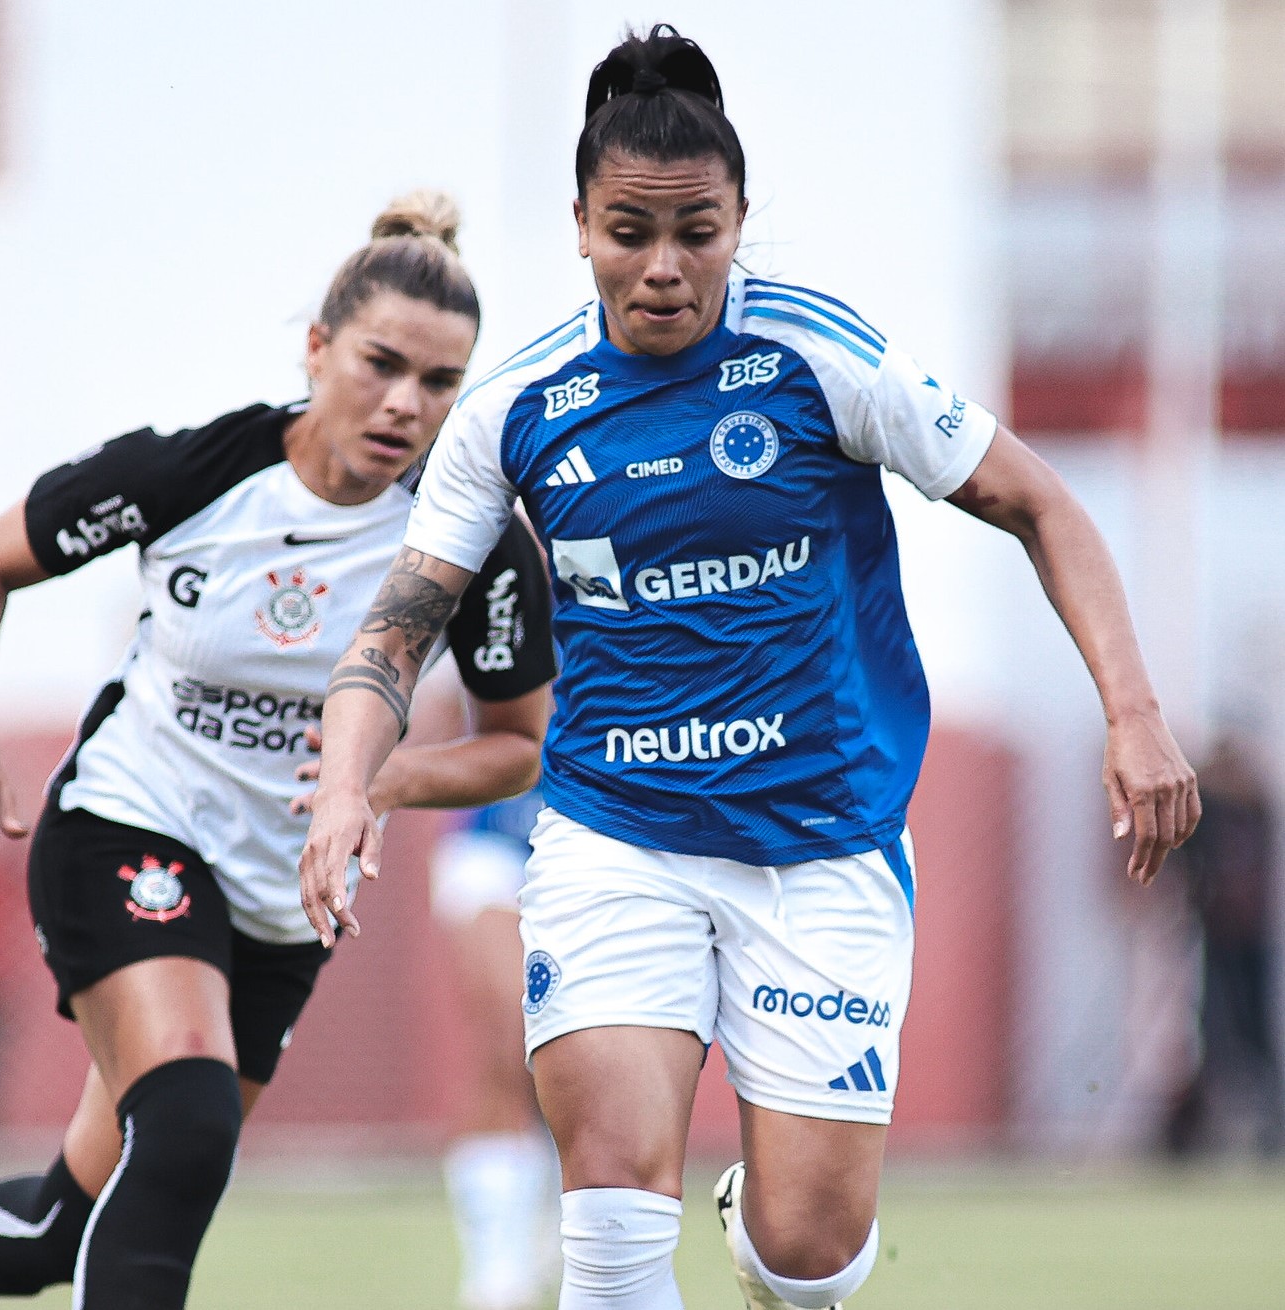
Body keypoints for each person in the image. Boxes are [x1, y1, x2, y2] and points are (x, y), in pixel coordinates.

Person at [299, 27, 1201, 1310]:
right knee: (611, 1220)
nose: (663, 267)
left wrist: (1135, 711)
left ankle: (777, 1243)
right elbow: (397, 624)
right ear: (579, 227)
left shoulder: (820, 357)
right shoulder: (516, 408)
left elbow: (1037, 501)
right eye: (629, 230)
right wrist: (348, 784)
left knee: (807, 1253)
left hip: (821, 841)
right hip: (616, 834)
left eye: (697, 230)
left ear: (736, 220)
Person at [0, 191, 556, 1310]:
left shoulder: (469, 540)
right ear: (317, 346)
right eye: (380, 362)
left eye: (439, 383)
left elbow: (517, 745)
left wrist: (382, 778)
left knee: (70, 1220)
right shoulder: (197, 471)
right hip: (128, 826)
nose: (404, 402)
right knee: (188, 1120)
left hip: (286, 902)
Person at [431, 783, 560, 1310]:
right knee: (510, 1032)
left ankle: (556, 1177)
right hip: (500, 837)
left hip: (617, 835)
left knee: (579, 1061)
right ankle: (497, 1275)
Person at [1162, 733, 1283, 1156]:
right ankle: (1194, 1134)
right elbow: (1189, 864)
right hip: (1216, 935)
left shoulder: (1255, 808)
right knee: (1214, 1030)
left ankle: (1267, 1131)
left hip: (1250, 939)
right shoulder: (1209, 810)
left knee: (1253, 1033)